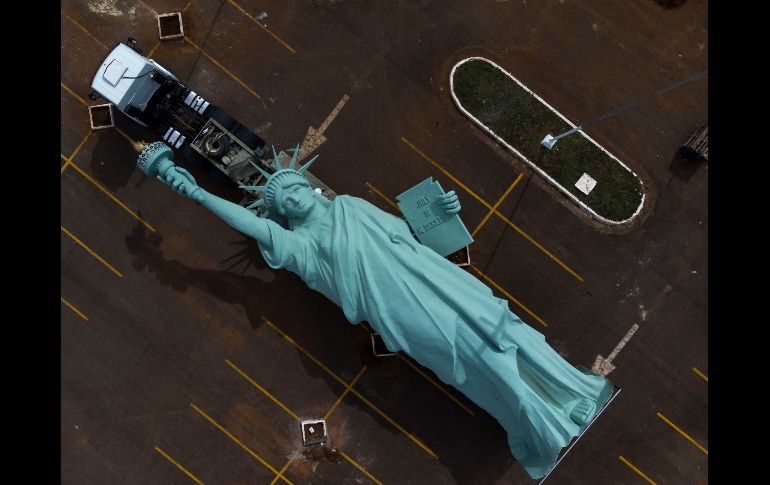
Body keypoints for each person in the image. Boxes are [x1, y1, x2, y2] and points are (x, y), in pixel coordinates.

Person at [156, 148, 612, 479]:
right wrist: (196, 192)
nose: (294, 198)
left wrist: (443, 211)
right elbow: (252, 225)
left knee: (512, 331)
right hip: (404, 312)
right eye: (283, 203)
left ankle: (573, 394)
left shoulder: (351, 206)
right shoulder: (303, 249)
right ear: (282, 218)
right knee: (483, 362)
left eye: (296, 188)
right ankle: (543, 431)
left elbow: (410, 235)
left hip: (437, 280)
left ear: (310, 188)